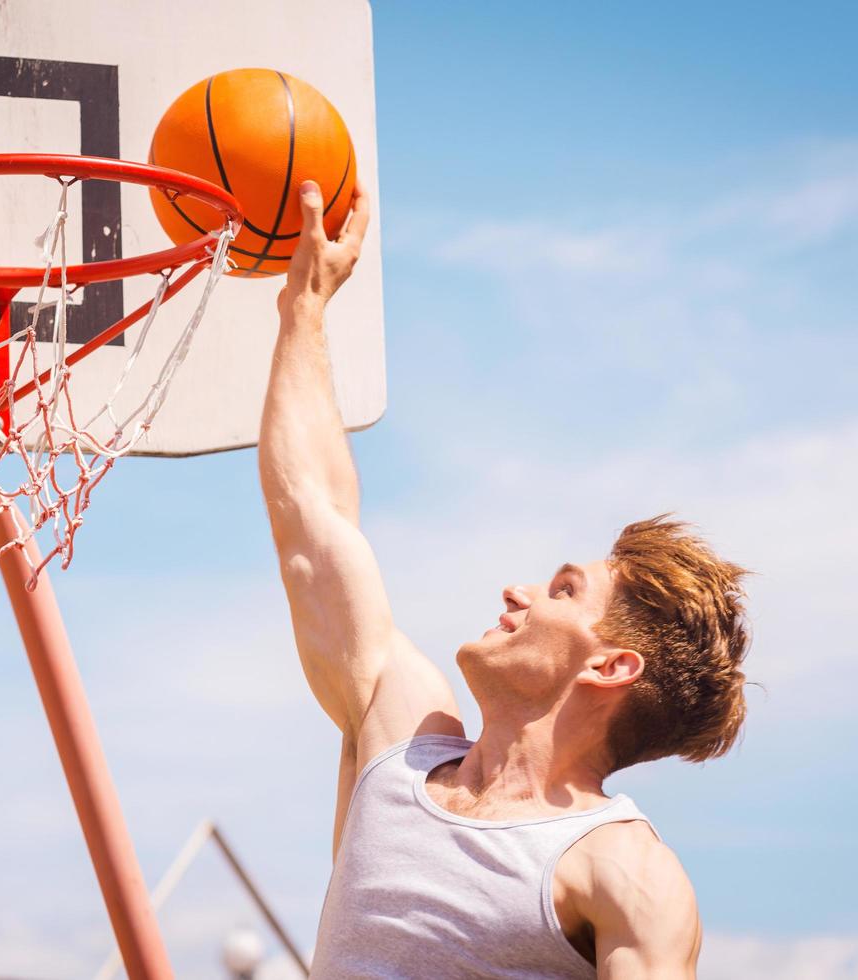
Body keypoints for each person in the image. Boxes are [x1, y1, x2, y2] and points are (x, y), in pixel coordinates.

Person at [258, 178, 752, 979]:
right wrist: (303, 311)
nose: (516, 591)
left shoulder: (622, 872)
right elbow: (313, 517)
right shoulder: (401, 738)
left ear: (610, 665)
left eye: (562, 591)